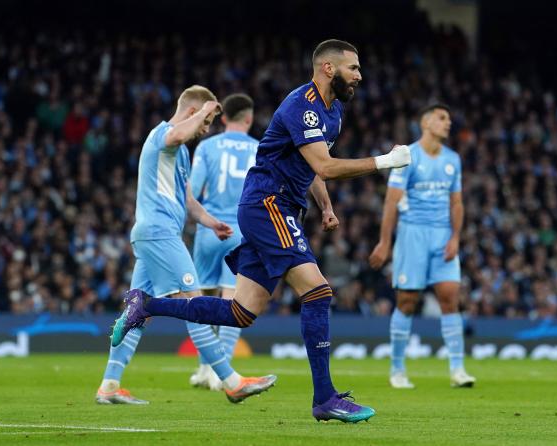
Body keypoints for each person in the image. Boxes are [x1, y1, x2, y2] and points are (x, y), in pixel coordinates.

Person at [111, 39, 411, 422]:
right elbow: (326, 165)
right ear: (328, 68)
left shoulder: (332, 112)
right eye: (353, 68)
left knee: (242, 312)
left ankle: (146, 305)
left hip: (278, 206)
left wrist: (326, 206)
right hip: (269, 203)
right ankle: (325, 398)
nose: (360, 75)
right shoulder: (301, 105)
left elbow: (311, 166)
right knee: (318, 291)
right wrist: (386, 161)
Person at [96, 85, 276, 405]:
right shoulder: (162, 136)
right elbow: (178, 134)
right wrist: (207, 110)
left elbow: (189, 199)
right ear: (193, 113)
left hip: (159, 235)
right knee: (195, 305)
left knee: (138, 313)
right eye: (204, 123)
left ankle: (109, 385)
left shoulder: (180, 153)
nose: (204, 131)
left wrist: (211, 222)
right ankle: (232, 381)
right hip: (160, 234)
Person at [369, 104, 476, 389]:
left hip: (442, 235)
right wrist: (384, 242)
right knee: (407, 301)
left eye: (449, 119)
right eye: (442, 118)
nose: (448, 123)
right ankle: (397, 370)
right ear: (426, 122)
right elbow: (391, 201)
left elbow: (457, 202)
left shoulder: (453, 159)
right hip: (412, 234)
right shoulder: (408, 156)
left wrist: (455, 237)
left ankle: (457, 369)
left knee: (450, 296)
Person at [188, 93, 259, 391]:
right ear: (249, 117)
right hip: (242, 230)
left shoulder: (207, 146)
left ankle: (205, 368)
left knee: (199, 299)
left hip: (209, 228)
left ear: (225, 117)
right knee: (233, 301)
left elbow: (193, 189)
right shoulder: (259, 148)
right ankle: (222, 372)